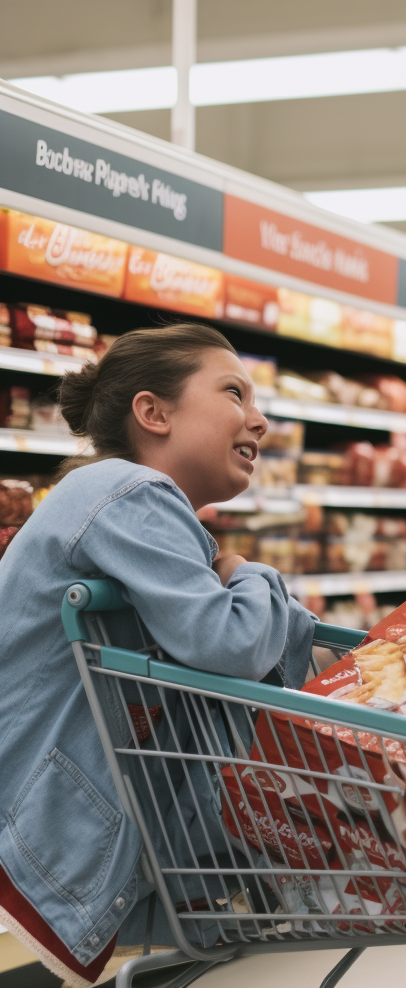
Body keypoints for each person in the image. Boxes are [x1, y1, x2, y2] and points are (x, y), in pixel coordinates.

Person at [0, 323, 315, 987]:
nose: (259, 419)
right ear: (154, 412)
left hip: (65, 809)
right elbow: (226, 644)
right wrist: (251, 575)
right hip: (47, 812)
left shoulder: (122, 500)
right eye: (235, 393)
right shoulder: (127, 490)